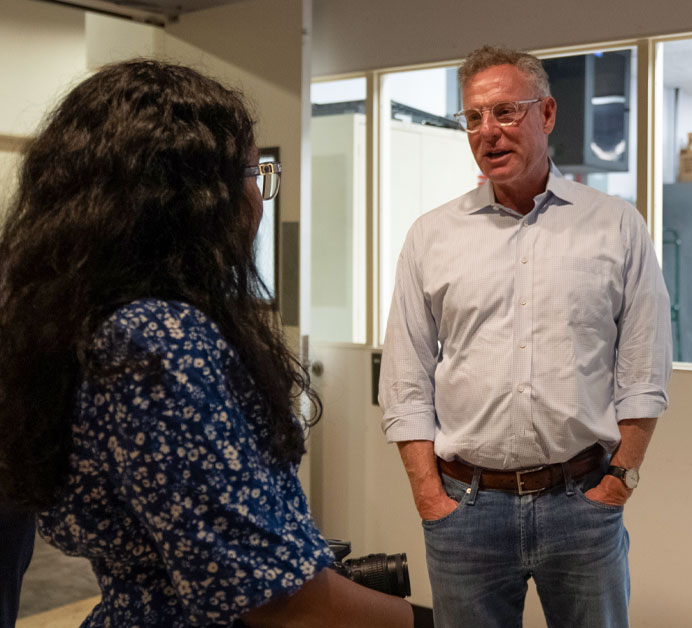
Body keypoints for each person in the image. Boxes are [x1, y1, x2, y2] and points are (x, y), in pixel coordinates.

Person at [0, 60, 412, 628]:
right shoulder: (159, 342)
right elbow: (274, 599)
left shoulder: (82, 321)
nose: (259, 198)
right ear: (192, 197)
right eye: (252, 171)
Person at [378, 45, 672, 628]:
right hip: (465, 511)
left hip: (582, 503)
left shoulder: (615, 225)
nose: (488, 132)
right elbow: (405, 379)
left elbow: (644, 371)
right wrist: (429, 500)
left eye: (506, 112)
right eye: (473, 117)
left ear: (548, 113)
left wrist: (619, 482)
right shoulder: (430, 236)